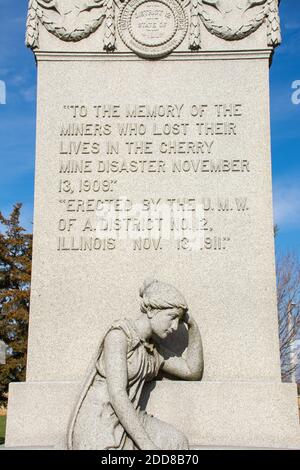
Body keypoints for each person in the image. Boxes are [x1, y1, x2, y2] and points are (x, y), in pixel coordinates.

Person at [67, 279, 204, 450]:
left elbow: (192, 371)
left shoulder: (154, 351)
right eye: (172, 317)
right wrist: (146, 444)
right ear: (152, 310)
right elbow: (117, 395)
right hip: (101, 422)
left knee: (177, 442)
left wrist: (192, 326)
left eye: (179, 320)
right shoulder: (119, 336)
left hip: (130, 419)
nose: (175, 327)